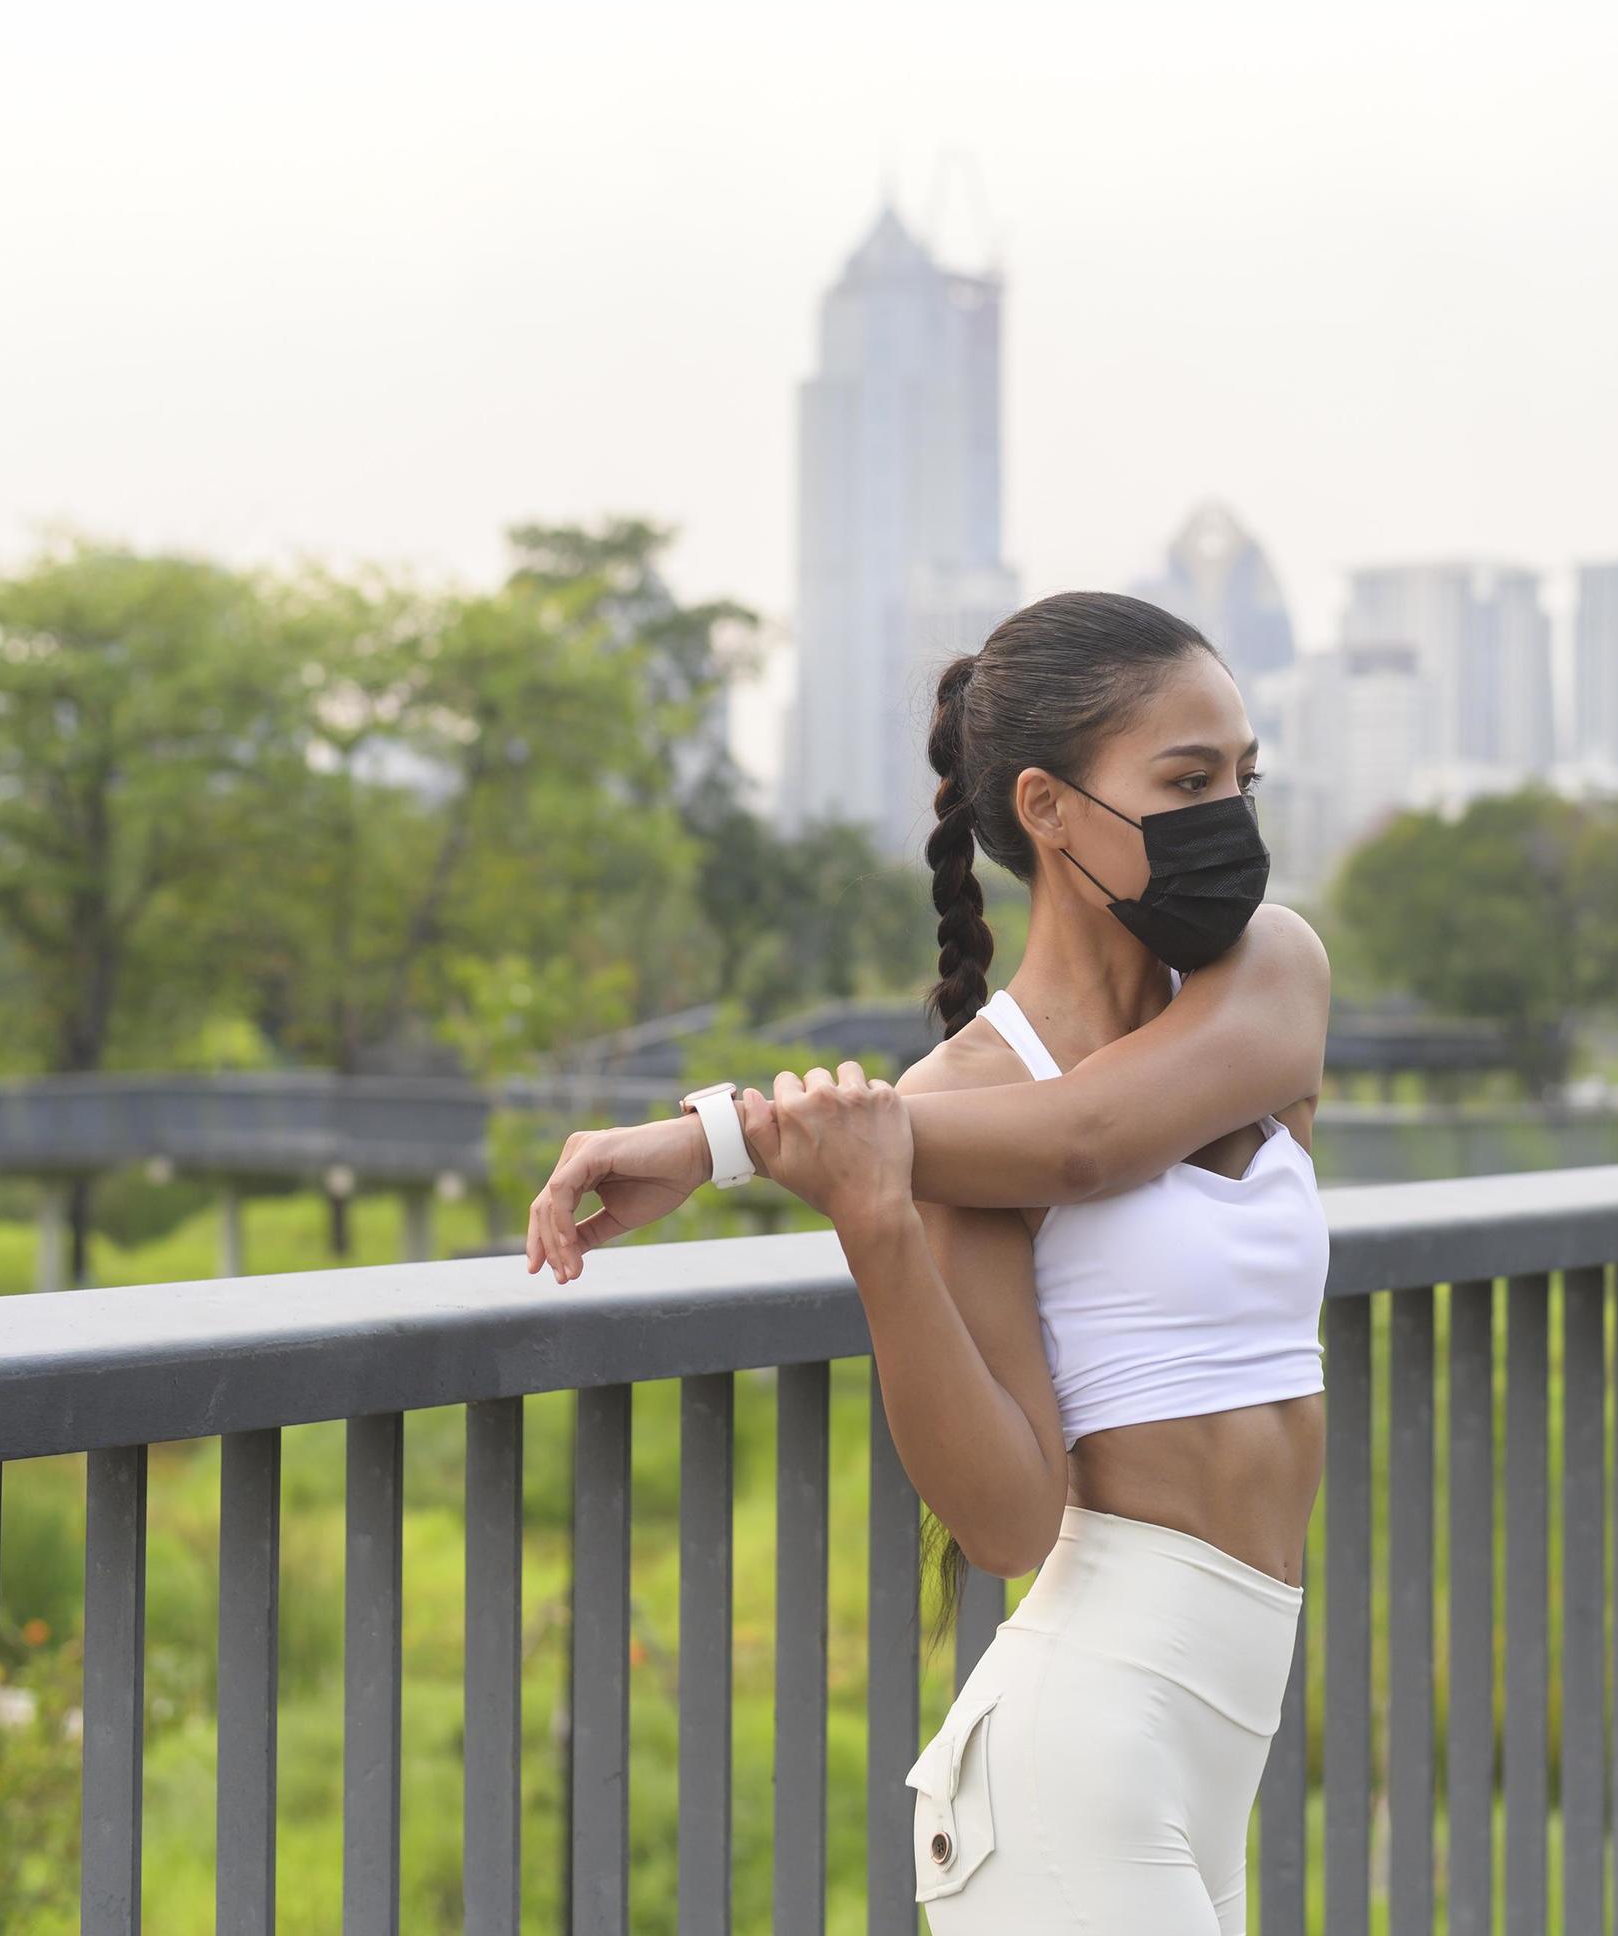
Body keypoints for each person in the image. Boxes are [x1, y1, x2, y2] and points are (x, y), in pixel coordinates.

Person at [522, 592, 1332, 1933]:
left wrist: (720, 1140)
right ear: (1048, 807)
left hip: (1213, 1749)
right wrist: (872, 1219)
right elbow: (1010, 1525)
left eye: (1243, 776)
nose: (1227, 818)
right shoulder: (957, 1098)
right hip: (1079, 1755)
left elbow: (1084, 1141)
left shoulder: (1266, 973)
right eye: (1185, 781)